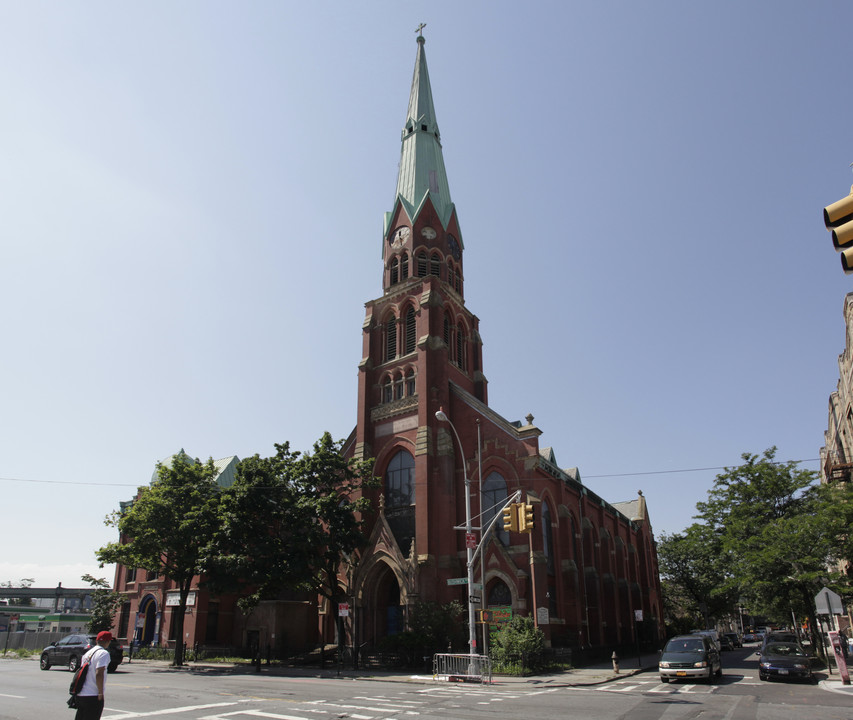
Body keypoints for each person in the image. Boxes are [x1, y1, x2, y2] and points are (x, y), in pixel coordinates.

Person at [75, 631, 112, 720]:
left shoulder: (87, 654)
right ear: (108, 642)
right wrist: (100, 692)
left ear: (97, 640)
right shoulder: (104, 653)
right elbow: (99, 673)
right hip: (93, 695)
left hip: (81, 694)